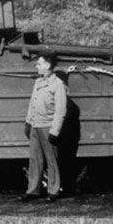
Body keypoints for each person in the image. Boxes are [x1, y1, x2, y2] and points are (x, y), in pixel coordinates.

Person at [19, 51, 68, 202]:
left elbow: (61, 110)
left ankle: (53, 191)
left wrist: (55, 131)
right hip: (35, 126)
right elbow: (32, 104)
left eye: (39, 64)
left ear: (47, 65)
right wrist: (28, 122)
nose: (37, 66)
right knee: (34, 160)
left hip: (48, 127)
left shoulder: (58, 85)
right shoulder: (38, 82)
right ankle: (33, 190)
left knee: (51, 160)